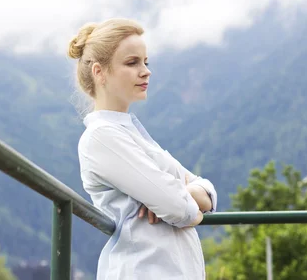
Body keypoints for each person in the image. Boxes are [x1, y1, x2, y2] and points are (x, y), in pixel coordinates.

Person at [68, 18, 217, 279]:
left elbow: (207, 193)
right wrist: (180, 197)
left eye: (146, 62)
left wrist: (182, 192)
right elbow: (181, 210)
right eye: (132, 62)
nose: (146, 71)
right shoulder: (102, 137)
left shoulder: (132, 134)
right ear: (99, 72)